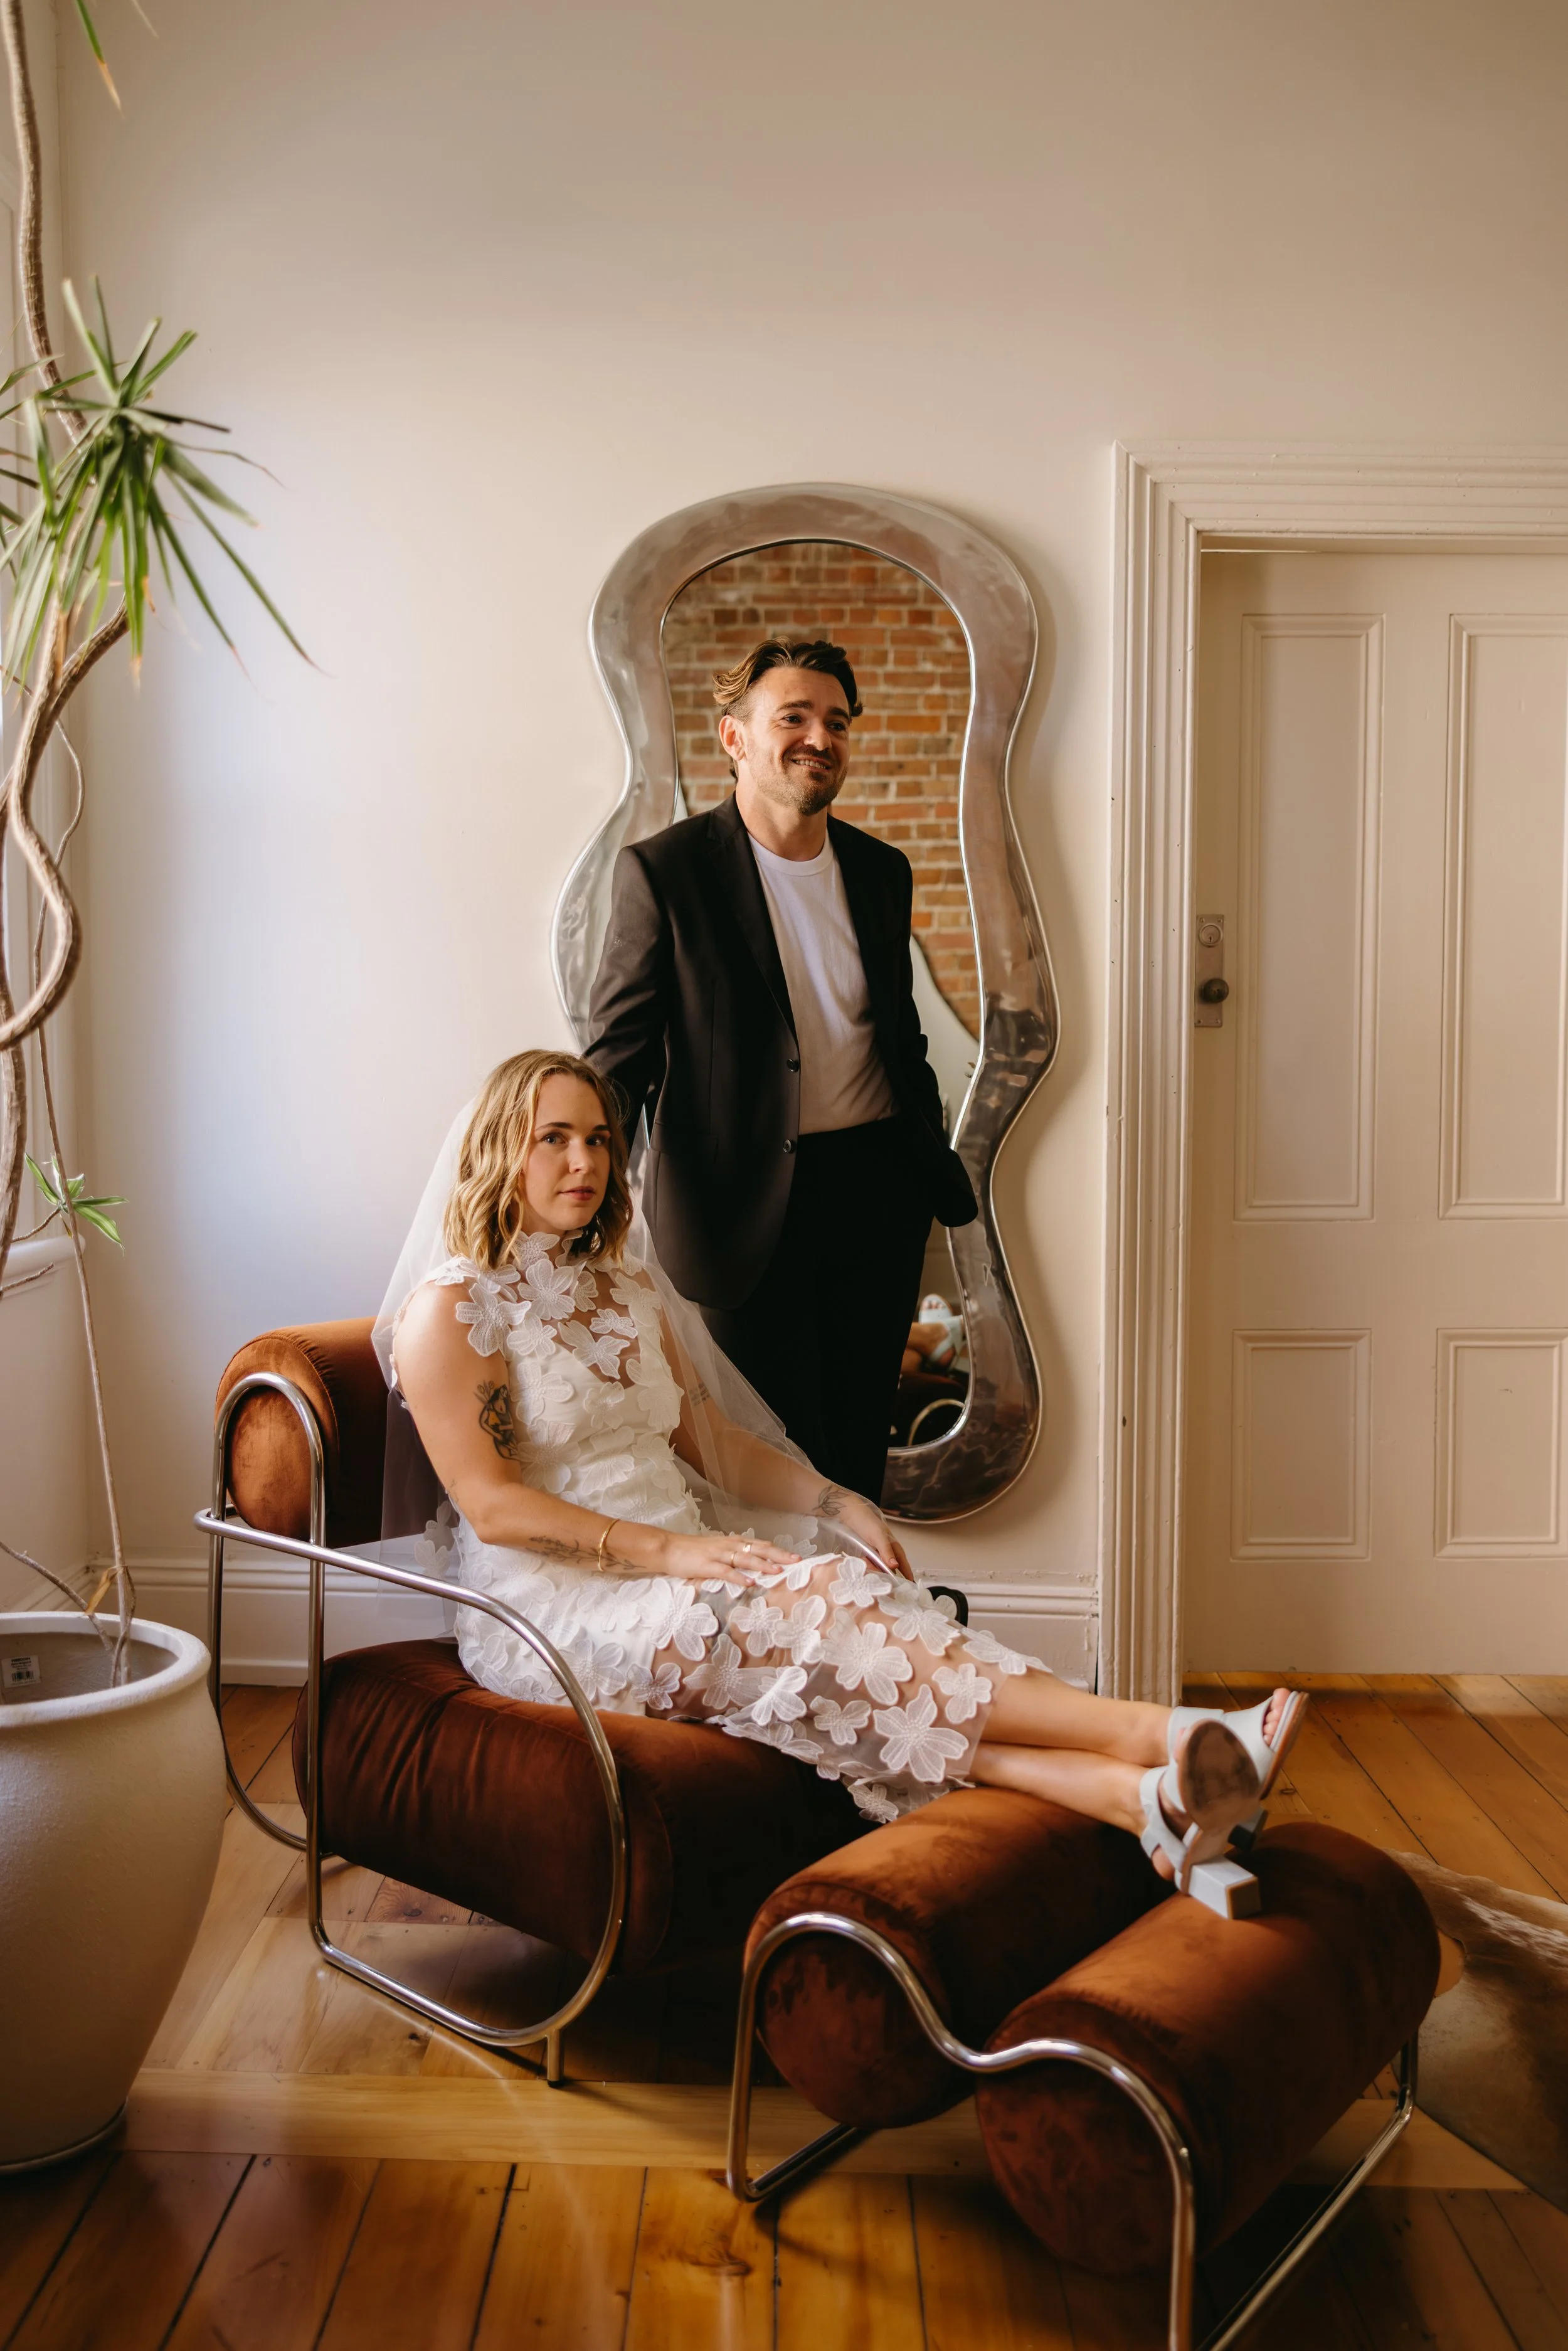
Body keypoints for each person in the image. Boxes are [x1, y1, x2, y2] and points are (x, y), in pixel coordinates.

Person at [384, 1046, 1307, 1896]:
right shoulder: (456, 1310)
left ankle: (1139, 1803)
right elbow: (492, 1506)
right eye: (554, 1140)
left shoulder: (625, 1285)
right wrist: (668, 1555)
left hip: (684, 1561)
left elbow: (712, 1442)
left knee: (869, 1623)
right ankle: (1177, 1736)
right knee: (817, 1608)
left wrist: (837, 1500)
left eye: (597, 1138)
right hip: (556, 1609)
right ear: (501, 1148)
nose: (585, 1163)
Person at [584, 637, 977, 1508]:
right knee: (754, 1469)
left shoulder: (881, 872)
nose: (820, 737)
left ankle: (858, 1638)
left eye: (836, 722)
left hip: (874, 1200)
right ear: (735, 738)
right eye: (793, 717)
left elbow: (894, 1032)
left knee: (851, 1460)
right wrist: (569, 1181)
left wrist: (921, 1169)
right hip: (733, 1213)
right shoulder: (667, 872)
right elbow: (621, 1056)